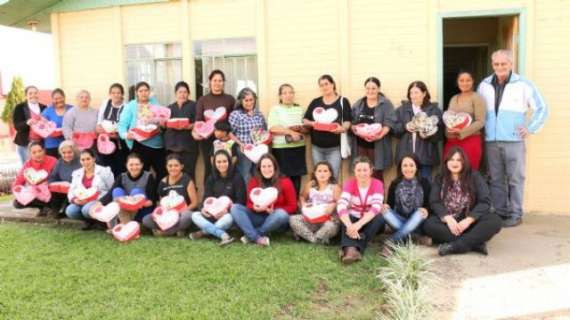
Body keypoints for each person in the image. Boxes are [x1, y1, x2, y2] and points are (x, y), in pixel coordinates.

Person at [477, 49, 549, 228]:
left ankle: (516, 214)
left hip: (514, 140)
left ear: (511, 64)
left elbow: (542, 108)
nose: (500, 67)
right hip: (491, 140)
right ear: (492, 65)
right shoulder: (484, 85)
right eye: (496, 64)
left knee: (516, 178)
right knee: (496, 178)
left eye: (503, 64)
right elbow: (478, 110)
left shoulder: (524, 84)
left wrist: (530, 128)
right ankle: (500, 213)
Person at [423, 146, 502, 256]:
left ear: (464, 162)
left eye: (459, 160)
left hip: (469, 220)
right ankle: (474, 242)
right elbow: (434, 201)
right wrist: (448, 219)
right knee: (429, 225)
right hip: (448, 223)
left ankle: (456, 246)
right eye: (451, 159)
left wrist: (468, 220)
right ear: (446, 162)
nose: (455, 163)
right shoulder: (440, 177)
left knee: (495, 220)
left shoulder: (474, 176)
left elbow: (485, 201)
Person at [230, 154, 297, 247]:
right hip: (258, 216)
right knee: (235, 208)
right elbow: (249, 203)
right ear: (259, 168)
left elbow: (293, 206)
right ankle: (257, 238)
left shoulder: (285, 181)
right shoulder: (254, 181)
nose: (267, 169)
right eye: (263, 166)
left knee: (281, 214)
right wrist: (254, 207)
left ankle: (252, 235)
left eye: (269, 166)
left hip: (275, 219)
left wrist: (273, 210)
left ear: (275, 167)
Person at [190, 150, 246, 245]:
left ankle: (203, 232)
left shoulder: (237, 178)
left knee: (228, 218)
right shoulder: (211, 178)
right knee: (194, 215)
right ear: (214, 163)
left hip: (226, 215)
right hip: (211, 214)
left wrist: (226, 211)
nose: (222, 164)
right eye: (219, 162)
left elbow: (241, 201)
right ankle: (223, 235)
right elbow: (206, 198)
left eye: (224, 161)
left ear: (229, 162)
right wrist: (204, 209)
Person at [337, 156, 386, 265]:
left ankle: (350, 248)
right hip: (353, 220)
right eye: (359, 170)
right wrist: (350, 225)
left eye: (365, 170)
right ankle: (352, 251)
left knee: (380, 217)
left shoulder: (377, 184)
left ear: (371, 171)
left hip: (369, 221)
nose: (362, 173)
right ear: (354, 171)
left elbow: (376, 207)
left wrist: (358, 225)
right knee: (345, 216)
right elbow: (341, 205)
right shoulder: (349, 184)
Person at [382, 154, 432, 256]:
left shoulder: (424, 182)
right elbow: (390, 205)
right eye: (405, 165)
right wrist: (386, 206)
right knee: (385, 212)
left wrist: (427, 210)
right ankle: (414, 237)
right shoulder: (395, 183)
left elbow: (429, 205)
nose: (408, 168)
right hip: (399, 220)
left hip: (417, 222)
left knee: (419, 213)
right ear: (401, 168)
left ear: (416, 167)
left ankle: (391, 242)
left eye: (411, 165)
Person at [303, 75, 351, 179]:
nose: (324, 87)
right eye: (321, 85)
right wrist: (312, 124)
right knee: (320, 177)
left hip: (335, 148)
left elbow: (347, 121)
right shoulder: (315, 102)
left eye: (326, 84)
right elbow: (305, 119)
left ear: (332, 84)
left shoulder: (343, 101)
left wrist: (342, 128)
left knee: (333, 177)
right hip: (317, 148)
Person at [393, 81, 444, 180]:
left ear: (424, 93)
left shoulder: (434, 110)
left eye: (416, 92)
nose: (413, 96)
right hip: (405, 157)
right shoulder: (401, 110)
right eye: (411, 93)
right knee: (405, 185)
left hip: (426, 156)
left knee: (425, 184)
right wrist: (405, 127)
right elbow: (394, 130)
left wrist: (428, 134)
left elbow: (440, 134)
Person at [350, 77, 397, 181]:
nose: (370, 91)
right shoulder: (359, 103)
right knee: (362, 174)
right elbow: (352, 122)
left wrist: (380, 135)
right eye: (368, 88)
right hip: (360, 146)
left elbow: (389, 122)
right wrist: (355, 129)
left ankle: (378, 197)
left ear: (378, 89)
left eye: (373, 88)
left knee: (376, 175)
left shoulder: (386, 104)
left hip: (377, 146)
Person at [118, 81, 166, 180]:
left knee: (162, 172)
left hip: (157, 144)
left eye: (146, 90)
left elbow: (161, 119)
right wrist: (126, 135)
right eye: (141, 91)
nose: (144, 93)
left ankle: (158, 195)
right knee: (141, 175)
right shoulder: (131, 106)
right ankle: (142, 195)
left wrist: (161, 125)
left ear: (149, 92)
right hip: (139, 144)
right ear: (136, 93)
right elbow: (122, 125)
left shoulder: (155, 103)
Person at [195, 70, 235, 182]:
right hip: (207, 140)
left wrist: (226, 135)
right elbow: (198, 120)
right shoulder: (202, 100)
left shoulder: (230, 99)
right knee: (209, 167)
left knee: (226, 167)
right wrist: (198, 132)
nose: (217, 83)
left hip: (225, 140)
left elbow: (234, 120)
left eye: (220, 80)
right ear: (210, 82)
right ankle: (209, 197)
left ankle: (227, 196)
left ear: (223, 82)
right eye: (215, 80)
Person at [142, 154, 197, 236]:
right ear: (166, 167)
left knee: (188, 216)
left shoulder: (187, 180)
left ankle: (166, 232)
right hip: (168, 216)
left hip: (182, 213)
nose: (173, 168)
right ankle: (177, 230)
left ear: (181, 166)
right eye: (170, 166)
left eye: (176, 165)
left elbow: (194, 203)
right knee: (146, 219)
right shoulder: (163, 182)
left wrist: (180, 212)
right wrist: (162, 215)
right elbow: (161, 203)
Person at [268, 83, 308, 195]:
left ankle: (294, 205)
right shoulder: (275, 109)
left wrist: (300, 129)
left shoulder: (299, 109)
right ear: (280, 96)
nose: (288, 95)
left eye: (291, 92)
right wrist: (290, 132)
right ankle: (285, 203)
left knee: (297, 176)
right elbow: (273, 128)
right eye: (285, 93)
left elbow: (307, 130)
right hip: (281, 149)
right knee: (283, 177)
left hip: (298, 147)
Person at [289, 161, 341, 244]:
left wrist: (334, 204)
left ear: (330, 173)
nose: (322, 174)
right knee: (293, 219)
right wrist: (303, 204)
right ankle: (316, 239)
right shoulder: (311, 185)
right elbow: (302, 197)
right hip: (311, 220)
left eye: (325, 171)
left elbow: (342, 204)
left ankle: (308, 236)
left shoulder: (334, 187)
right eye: (319, 171)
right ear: (315, 173)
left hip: (327, 220)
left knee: (331, 226)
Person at [443, 71, 486, 170]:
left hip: (470, 141)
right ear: (457, 82)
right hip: (452, 142)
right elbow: (449, 118)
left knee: (469, 172)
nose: (464, 83)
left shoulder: (477, 98)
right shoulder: (454, 98)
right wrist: (448, 132)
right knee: (450, 172)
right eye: (461, 80)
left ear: (473, 81)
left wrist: (462, 132)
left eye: (468, 80)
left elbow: (481, 121)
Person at [99, 153, 157, 223]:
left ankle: (125, 224)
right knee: (117, 191)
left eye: (137, 164)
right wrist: (98, 203)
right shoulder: (122, 176)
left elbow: (151, 201)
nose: (134, 167)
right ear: (126, 165)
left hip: (142, 208)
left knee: (136, 192)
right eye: (131, 165)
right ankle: (127, 224)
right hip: (124, 209)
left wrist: (134, 203)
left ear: (141, 165)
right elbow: (110, 194)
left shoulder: (148, 176)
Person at [65, 149, 114, 230]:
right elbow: (71, 190)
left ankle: (101, 221)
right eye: (82, 160)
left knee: (86, 209)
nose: (85, 162)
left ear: (93, 159)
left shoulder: (104, 171)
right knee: (70, 211)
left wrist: (97, 199)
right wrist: (74, 200)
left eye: (88, 159)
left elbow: (111, 188)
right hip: (81, 200)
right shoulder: (76, 173)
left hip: (99, 199)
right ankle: (89, 222)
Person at [228, 87, 268, 183]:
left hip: (258, 150)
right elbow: (229, 133)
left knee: (258, 174)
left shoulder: (259, 114)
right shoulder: (235, 114)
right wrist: (241, 144)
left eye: (251, 100)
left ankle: (256, 196)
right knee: (245, 175)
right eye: (246, 100)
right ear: (241, 101)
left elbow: (264, 131)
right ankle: (245, 197)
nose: (249, 103)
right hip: (243, 150)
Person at [164, 81, 198, 179]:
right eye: (180, 92)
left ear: (188, 93)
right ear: (176, 93)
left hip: (188, 146)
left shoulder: (194, 105)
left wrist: (189, 126)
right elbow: (164, 124)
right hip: (171, 146)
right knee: (173, 174)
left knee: (189, 174)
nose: (182, 94)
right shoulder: (169, 108)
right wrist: (165, 123)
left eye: (185, 92)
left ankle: (190, 193)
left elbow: (199, 122)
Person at [12, 142, 57, 215]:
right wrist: (17, 188)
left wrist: (45, 182)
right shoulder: (28, 164)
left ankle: (49, 208)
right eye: (34, 152)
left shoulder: (53, 160)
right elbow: (19, 179)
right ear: (30, 154)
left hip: (50, 191)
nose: (38, 154)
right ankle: (44, 207)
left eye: (40, 151)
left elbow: (57, 177)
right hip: (35, 192)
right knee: (17, 203)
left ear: (44, 150)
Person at [96, 83, 128, 176]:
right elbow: (100, 119)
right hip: (105, 139)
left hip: (119, 140)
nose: (116, 95)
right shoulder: (106, 103)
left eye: (118, 93)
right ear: (110, 94)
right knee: (106, 165)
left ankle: (119, 186)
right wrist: (99, 127)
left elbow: (127, 124)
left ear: (122, 94)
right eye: (113, 93)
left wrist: (118, 134)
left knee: (120, 165)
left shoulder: (126, 107)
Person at [12, 85, 46, 163]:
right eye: (30, 93)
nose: (33, 95)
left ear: (38, 94)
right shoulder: (19, 107)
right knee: (28, 168)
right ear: (26, 95)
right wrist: (27, 122)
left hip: (41, 143)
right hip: (25, 144)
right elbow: (17, 126)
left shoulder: (44, 107)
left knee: (41, 166)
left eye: (35, 93)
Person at [47, 140, 81, 217]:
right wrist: (53, 184)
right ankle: (56, 210)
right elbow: (53, 177)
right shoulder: (59, 162)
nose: (67, 155)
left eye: (69, 152)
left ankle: (63, 211)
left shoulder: (80, 161)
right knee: (51, 191)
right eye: (64, 153)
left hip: (77, 190)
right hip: (62, 189)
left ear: (74, 151)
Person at [41, 88, 73, 158]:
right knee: (53, 167)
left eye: (60, 98)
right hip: (52, 145)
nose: (58, 100)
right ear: (52, 99)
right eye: (55, 99)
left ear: (64, 97)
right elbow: (42, 127)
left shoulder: (72, 109)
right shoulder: (47, 111)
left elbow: (77, 124)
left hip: (68, 144)